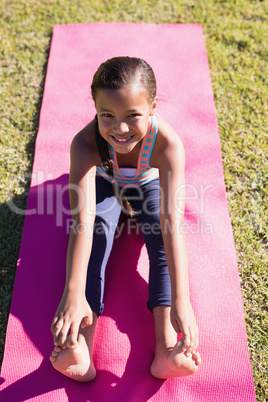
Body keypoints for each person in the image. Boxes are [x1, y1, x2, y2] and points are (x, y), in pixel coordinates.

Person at [50, 56, 201, 382]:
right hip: (105, 182)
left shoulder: (167, 143)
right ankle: (81, 347)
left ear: (153, 107)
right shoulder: (85, 143)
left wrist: (181, 300)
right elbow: (84, 223)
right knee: (99, 235)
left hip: (148, 185)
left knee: (159, 240)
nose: (119, 127)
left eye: (133, 115)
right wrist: (72, 293)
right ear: (95, 109)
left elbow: (172, 223)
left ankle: (165, 350)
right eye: (108, 115)